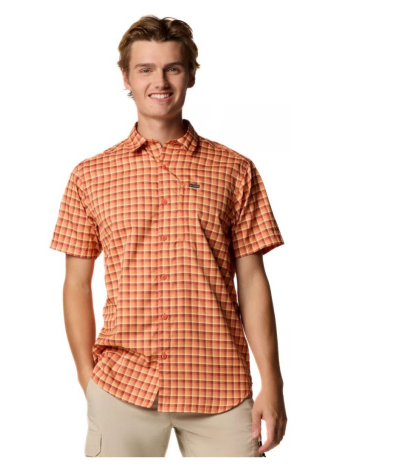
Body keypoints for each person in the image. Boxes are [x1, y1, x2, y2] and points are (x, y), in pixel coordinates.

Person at [49, 14, 287, 458]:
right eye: (146, 69)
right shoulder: (89, 175)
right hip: (123, 387)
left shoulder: (235, 170)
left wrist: (272, 384)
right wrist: (87, 378)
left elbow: (253, 280)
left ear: (190, 75)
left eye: (172, 68)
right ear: (126, 78)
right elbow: (76, 283)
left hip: (220, 387)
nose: (159, 81)